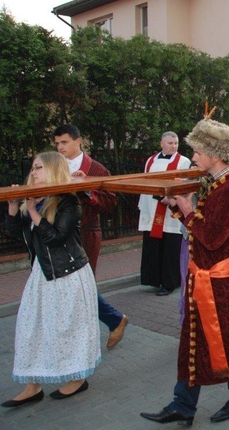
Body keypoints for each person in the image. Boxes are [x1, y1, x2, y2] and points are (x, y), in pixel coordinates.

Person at [141, 117, 229, 425]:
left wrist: (186, 208)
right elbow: (199, 227)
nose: (193, 157)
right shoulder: (214, 182)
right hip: (202, 275)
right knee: (194, 340)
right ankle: (183, 404)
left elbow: (212, 236)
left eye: (198, 151)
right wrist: (175, 205)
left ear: (214, 154)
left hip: (223, 280)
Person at [2, 152, 100, 408]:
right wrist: (14, 208)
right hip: (42, 274)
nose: (33, 173)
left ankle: (78, 378)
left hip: (68, 274)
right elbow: (15, 234)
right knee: (30, 328)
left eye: (39, 168)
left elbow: (55, 238)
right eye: (32, 168)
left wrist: (34, 211)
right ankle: (32, 385)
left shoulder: (68, 202)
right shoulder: (34, 200)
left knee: (68, 329)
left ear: (54, 170)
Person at [53, 124, 128, 350]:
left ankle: (99, 327)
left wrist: (86, 188)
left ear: (79, 141)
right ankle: (111, 320)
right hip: (57, 234)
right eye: (56, 144)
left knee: (81, 285)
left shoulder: (96, 168)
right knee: (63, 286)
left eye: (64, 142)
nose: (60, 147)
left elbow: (110, 203)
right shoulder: (53, 166)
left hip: (85, 233)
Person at [138, 131, 192, 296]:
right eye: (170, 143)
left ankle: (170, 282)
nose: (174, 146)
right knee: (153, 245)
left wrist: (172, 197)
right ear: (161, 143)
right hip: (151, 206)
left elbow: (186, 184)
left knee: (170, 246)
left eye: (176, 143)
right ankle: (153, 279)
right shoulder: (150, 160)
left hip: (169, 209)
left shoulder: (184, 161)